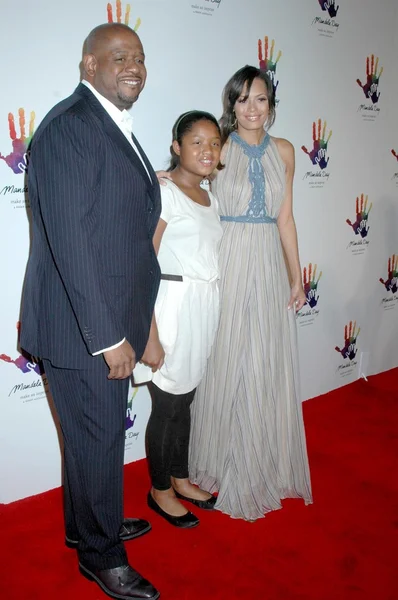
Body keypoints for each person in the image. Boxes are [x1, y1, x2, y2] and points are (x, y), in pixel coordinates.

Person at [20, 23, 161, 600]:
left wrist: (135, 324)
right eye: (119, 57)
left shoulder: (108, 124)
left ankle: (88, 527)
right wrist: (109, 336)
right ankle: (102, 556)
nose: (134, 66)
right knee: (99, 440)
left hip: (102, 320)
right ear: (88, 64)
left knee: (89, 441)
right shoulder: (72, 128)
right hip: (83, 332)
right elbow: (73, 243)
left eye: (140, 58)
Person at [188, 65, 313, 521]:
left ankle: (261, 463)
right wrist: (163, 179)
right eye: (242, 100)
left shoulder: (285, 152)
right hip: (229, 261)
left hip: (266, 265)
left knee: (262, 361)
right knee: (228, 360)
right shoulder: (216, 150)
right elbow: (189, 181)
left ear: (271, 105)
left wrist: (296, 276)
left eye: (260, 99)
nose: (252, 108)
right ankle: (223, 463)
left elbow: (285, 219)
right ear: (231, 105)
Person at [140, 111, 223, 528]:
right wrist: (149, 334)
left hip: (201, 311)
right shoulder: (163, 193)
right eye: (196, 142)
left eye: (213, 143)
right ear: (177, 147)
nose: (206, 150)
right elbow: (142, 262)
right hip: (169, 309)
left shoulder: (212, 197)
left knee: (185, 401)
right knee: (167, 404)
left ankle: (180, 476)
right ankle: (159, 490)